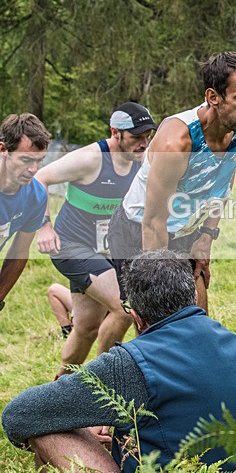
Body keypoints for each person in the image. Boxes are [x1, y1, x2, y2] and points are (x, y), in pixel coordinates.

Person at [2, 249, 236, 473]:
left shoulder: (128, 364)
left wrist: (81, 425)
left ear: (137, 318)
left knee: (46, 426)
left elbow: (19, 415)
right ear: (193, 296)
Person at [108, 52, 236, 311]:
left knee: (197, 314)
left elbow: (223, 180)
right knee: (158, 321)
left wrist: (207, 235)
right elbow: (153, 222)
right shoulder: (177, 143)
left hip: (186, 231)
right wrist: (158, 283)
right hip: (139, 231)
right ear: (213, 97)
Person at [35, 102, 156, 377]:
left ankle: (60, 389)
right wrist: (44, 227)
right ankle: (106, 381)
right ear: (116, 132)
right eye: (137, 137)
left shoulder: (143, 161)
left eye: (147, 136)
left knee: (87, 327)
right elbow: (40, 178)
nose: (143, 143)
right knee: (126, 308)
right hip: (70, 245)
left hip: (108, 250)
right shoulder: (90, 159)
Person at [0, 113, 50, 312]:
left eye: (40, 161)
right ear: (3, 150)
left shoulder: (36, 196)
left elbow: (20, 251)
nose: (34, 169)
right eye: (26, 160)